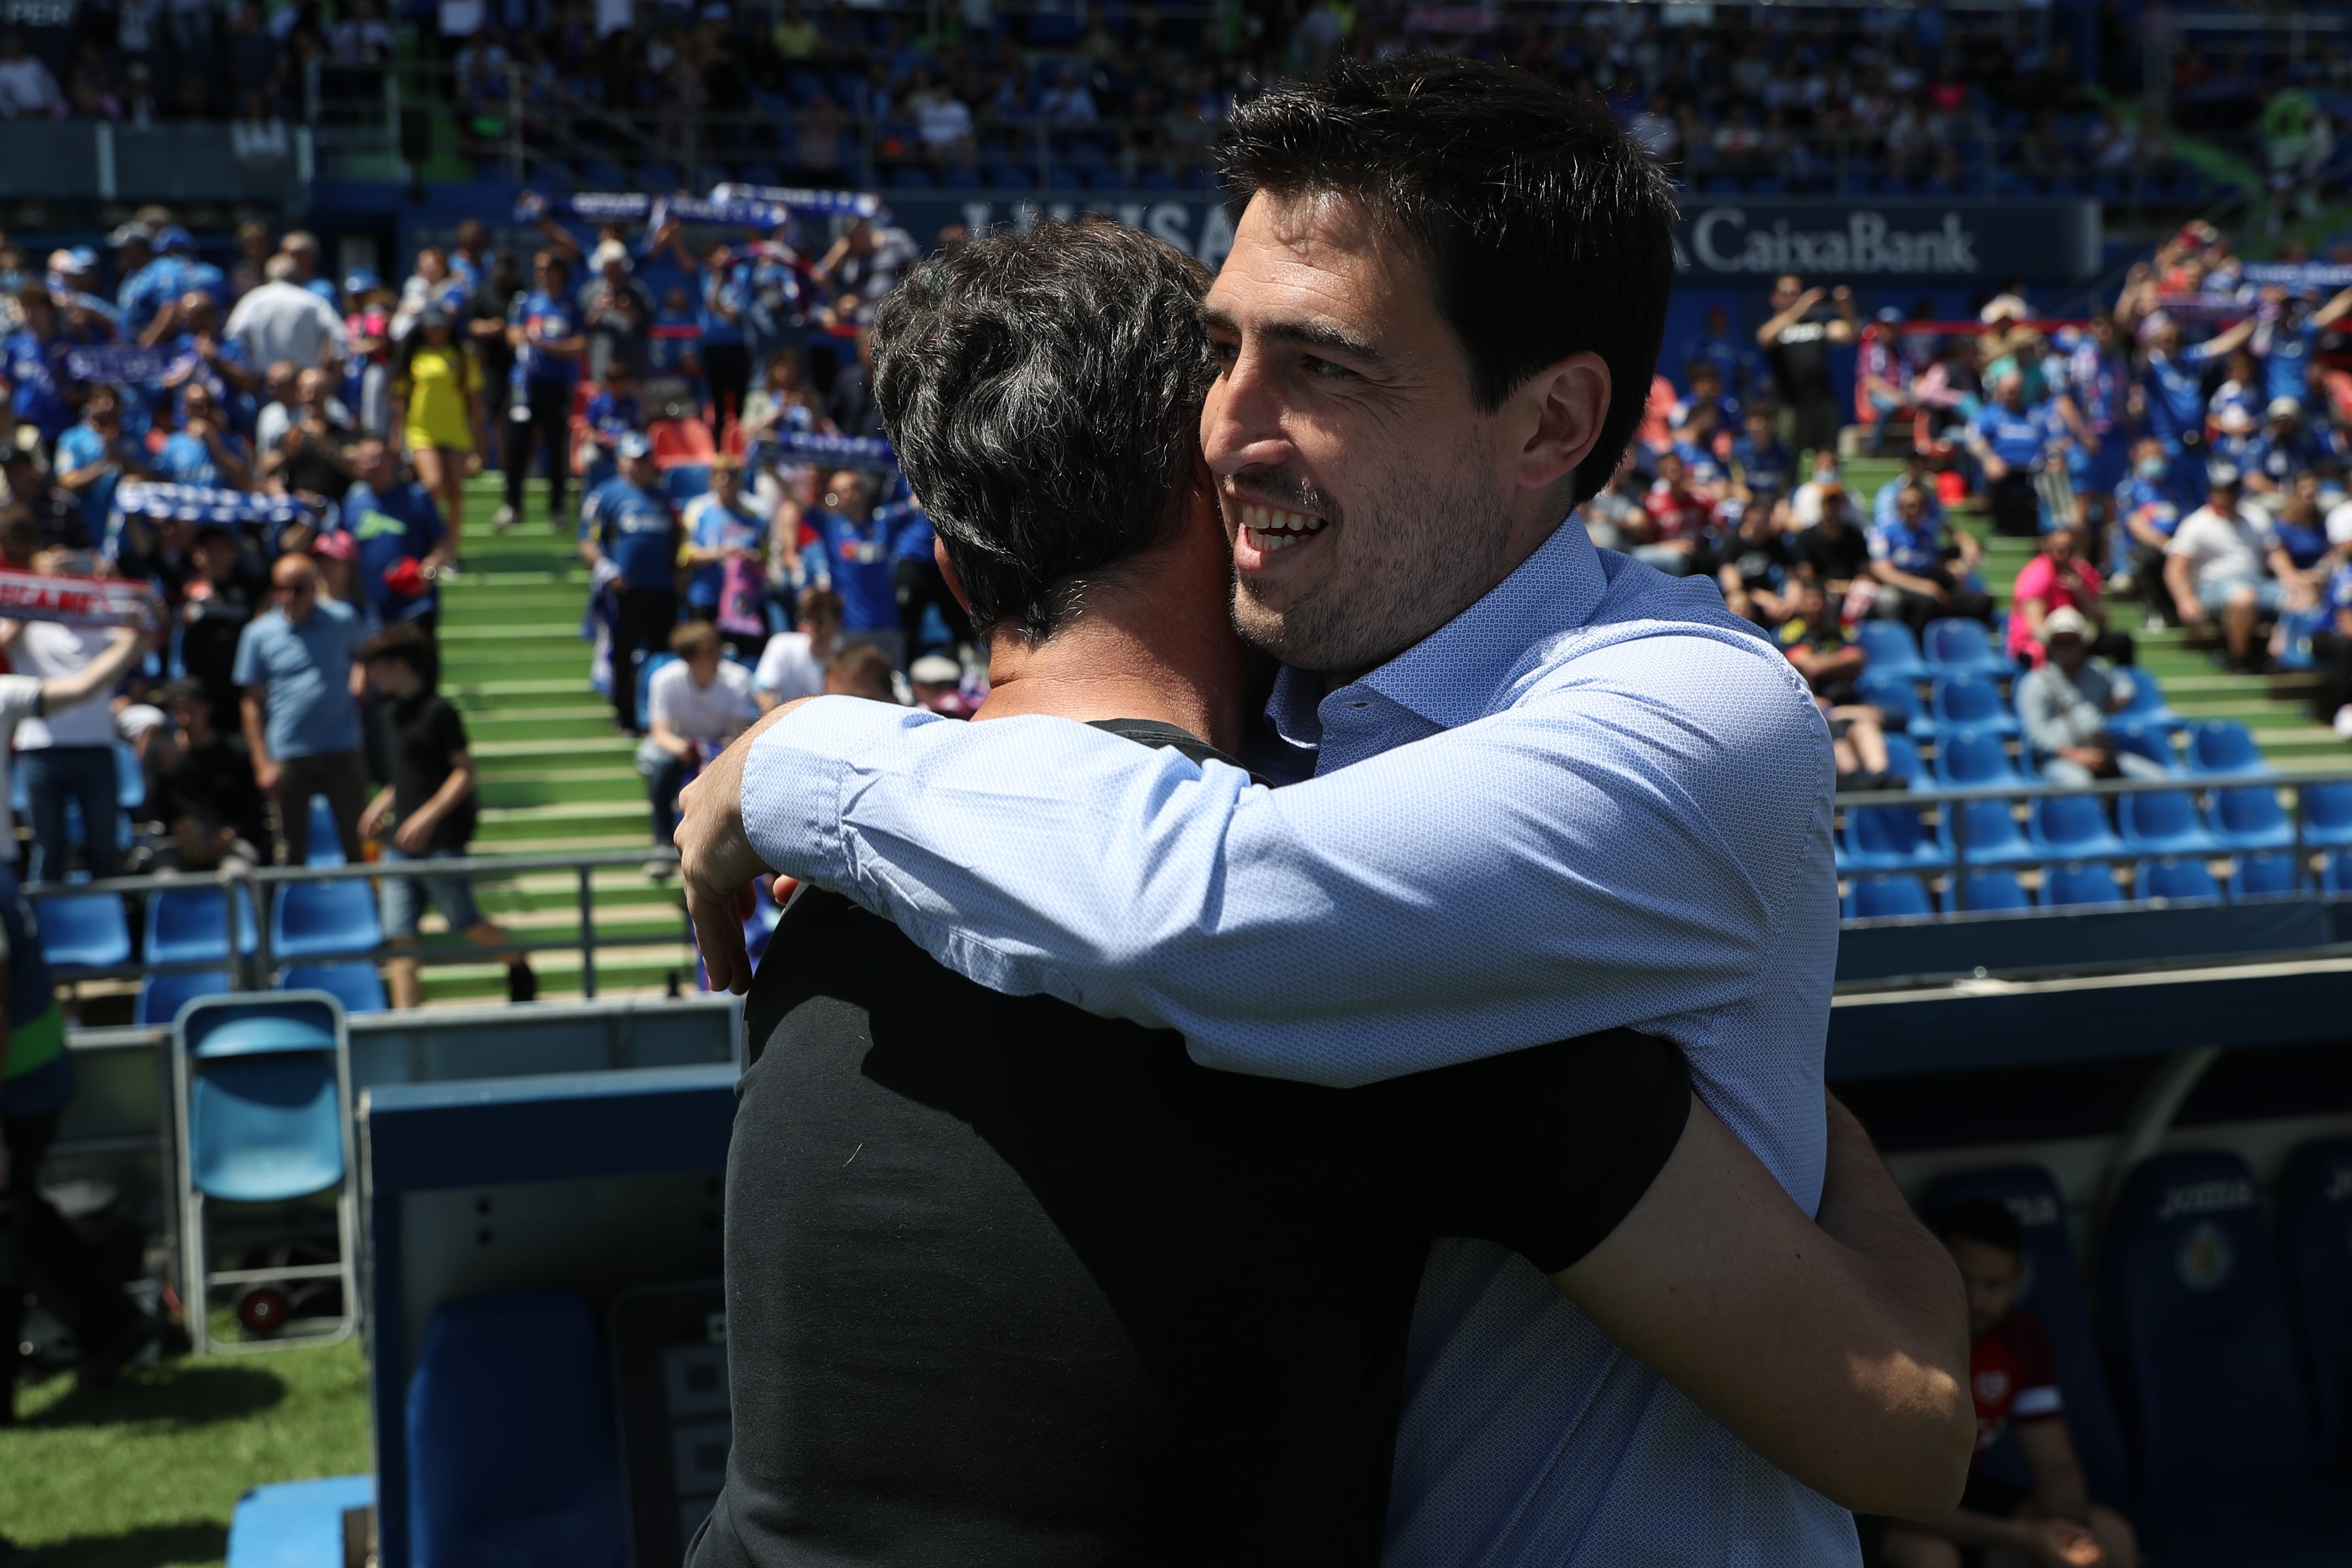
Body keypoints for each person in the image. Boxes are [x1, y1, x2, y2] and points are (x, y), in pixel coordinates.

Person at [681, 59, 1954, 1565]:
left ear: (1553, 423)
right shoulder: (1276, 713)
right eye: (1224, 350)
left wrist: (805, 761)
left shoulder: (1689, 710)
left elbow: (1212, 913)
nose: (1225, 429)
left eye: (1324, 366)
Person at [1879, 1200, 2141, 1568]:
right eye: (1964, 1279)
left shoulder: (2023, 1342)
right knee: (1931, 1559)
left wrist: (2070, 1528)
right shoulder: (1902, 1339)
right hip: (1887, 1509)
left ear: (2016, 1280)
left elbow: (2055, 1465)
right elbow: (1891, 1501)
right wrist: (2026, 1538)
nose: (1976, 1300)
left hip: (1965, 1495)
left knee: (2110, 1533)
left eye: (1993, 1284)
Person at [357, 622, 534, 1008]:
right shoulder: (389, 713)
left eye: (377, 667)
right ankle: (407, 1026)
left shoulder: (439, 712)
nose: (370, 677)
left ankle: (518, 963)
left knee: (465, 921)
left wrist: (428, 816)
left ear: (400, 666)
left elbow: (464, 770)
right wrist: (381, 805)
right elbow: (404, 777)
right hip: (398, 845)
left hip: (441, 842)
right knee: (400, 937)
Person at [233, 552, 368, 867]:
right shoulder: (258, 634)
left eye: (299, 588)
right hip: (289, 751)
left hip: (342, 746)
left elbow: (365, 655)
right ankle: (290, 913)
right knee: (291, 849)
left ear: (315, 586)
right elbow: (251, 701)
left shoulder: (342, 619)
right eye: (282, 588)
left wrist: (360, 680)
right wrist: (262, 763)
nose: (289, 597)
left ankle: (369, 911)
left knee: (358, 839)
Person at [581, 431, 680, 734]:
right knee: (623, 654)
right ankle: (625, 716)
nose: (640, 466)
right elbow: (587, 540)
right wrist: (607, 570)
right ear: (622, 462)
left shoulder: (663, 496)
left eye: (645, 460)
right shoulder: (607, 495)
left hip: (662, 589)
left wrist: (679, 573)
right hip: (626, 590)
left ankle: (657, 717)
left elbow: (677, 539)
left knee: (662, 656)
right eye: (634, 460)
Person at [645, 619, 758, 863]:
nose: (717, 656)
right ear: (689, 658)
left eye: (717, 649)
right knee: (658, 762)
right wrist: (684, 748)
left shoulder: (738, 678)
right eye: (709, 652)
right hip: (680, 751)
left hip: (725, 751)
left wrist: (719, 751)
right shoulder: (664, 679)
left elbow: (740, 732)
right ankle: (662, 842)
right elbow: (660, 733)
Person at [2015, 608, 2168, 789]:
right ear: (2051, 645)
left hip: (2100, 754)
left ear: (2082, 643)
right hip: (2056, 760)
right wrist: (2075, 755)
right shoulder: (2035, 682)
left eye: (2072, 641)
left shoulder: (2095, 670)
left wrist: (2117, 699)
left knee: (2157, 778)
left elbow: (2123, 684)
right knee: (2081, 784)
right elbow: (2036, 735)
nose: (2066, 648)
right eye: (2059, 642)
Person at [2165, 466, 2293, 674]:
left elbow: (2275, 553)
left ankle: (2283, 656)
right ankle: (2240, 658)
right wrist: (2185, 599)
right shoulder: (2196, 523)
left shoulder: (2256, 516)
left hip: (2257, 583)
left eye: (2233, 490)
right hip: (2214, 588)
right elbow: (2175, 569)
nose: (2230, 495)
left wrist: (2291, 577)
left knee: (2300, 597)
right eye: (2223, 490)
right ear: (2212, 493)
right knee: (2243, 597)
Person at [140, 677, 272, 872]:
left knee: (236, 873)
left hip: (228, 840)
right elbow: (148, 811)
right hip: (177, 841)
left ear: (208, 708)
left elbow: (253, 811)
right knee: (165, 876)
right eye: (177, 711)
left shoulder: (234, 751)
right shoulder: (161, 751)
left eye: (191, 711)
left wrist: (228, 835)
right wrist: (163, 774)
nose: (184, 719)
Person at [502, 249, 585, 531]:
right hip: (525, 384)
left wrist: (549, 346)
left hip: (556, 385)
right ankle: (512, 505)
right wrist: (527, 337)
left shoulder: (571, 305)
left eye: (547, 268)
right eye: (537, 268)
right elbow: (512, 336)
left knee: (557, 446)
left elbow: (579, 346)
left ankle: (558, 508)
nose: (541, 274)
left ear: (560, 271)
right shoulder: (525, 301)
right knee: (517, 445)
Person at [391, 305, 478, 567]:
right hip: (422, 430)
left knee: (455, 493)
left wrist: (480, 443)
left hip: (455, 431)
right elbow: (401, 400)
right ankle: (432, 545)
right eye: (432, 326)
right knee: (434, 485)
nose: (437, 331)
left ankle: (451, 552)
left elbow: (474, 401)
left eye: (441, 326)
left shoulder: (462, 356)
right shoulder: (414, 356)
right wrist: (397, 435)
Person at [339, 435, 450, 634]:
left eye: (378, 458)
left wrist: (427, 571)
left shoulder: (416, 496)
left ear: (392, 461)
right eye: (365, 459)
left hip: (415, 607)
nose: (372, 465)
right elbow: (344, 550)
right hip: (371, 612)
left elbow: (443, 543)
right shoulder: (353, 501)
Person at [798, 467, 903, 669]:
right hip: (849, 629)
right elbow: (798, 503)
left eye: (854, 488)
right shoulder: (830, 525)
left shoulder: (884, 521)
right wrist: (772, 471)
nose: (849, 495)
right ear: (834, 498)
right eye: (842, 491)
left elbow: (916, 505)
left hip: (887, 625)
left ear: (863, 491)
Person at [1869, 482, 1994, 634]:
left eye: (1913, 505)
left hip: (1931, 581)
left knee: (1981, 601)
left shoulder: (1928, 533)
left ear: (1924, 508)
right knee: (1927, 603)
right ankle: (1917, 648)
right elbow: (1884, 573)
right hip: (1903, 585)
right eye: (1904, 505)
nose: (1908, 511)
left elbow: (1934, 562)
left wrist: (1952, 569)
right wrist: (1925, 587)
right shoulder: (1884, 533)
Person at [1757, 273, 1858, 458]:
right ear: (1776, 298)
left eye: (1798, 293)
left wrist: (1846, 308)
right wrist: (1800, 309)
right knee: (1790, 457)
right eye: (1789, 293)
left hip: (1823, 403)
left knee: (1827, 456)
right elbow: (1764, 338)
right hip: (1791, 406)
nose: (1795, 298)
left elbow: (1848, 335)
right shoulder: (1776, 325)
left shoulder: (1816, 323)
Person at [679, 456, 769, 660]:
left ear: (742, 481)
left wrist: (751, 558)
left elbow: (766, 560)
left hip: (744, 604)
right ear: (712, 481)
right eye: (722, 477)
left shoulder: (755, 516)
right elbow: (686, 556)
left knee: (751, 659)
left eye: (733, 477)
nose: (728, 483)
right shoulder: (698, 511)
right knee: (701, 658)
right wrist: (723, 552)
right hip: (707, 598)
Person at [2008, 524, 2132, 668]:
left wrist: (2083, 593)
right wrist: (2066, 645)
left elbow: (2102, 621)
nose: (2063, 553)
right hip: (2044, 642)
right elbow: (2037, 630)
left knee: (2122, 642)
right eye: (2057, 548)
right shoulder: (2036, 577)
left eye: (2069, 548)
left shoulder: (2082, 573)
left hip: (2075, 638)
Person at [1967, 371, 2061, 539]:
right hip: (2004, 469)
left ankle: (2052, 531)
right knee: (1995, 477)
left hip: (2035, 469)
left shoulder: (2035, 413)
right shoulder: (1990, 413)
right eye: (2009, 391)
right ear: (2000, 391)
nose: (2013, 395)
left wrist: (2054, 457)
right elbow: (1974, 439)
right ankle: (2001, 530)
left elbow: (2052, 440)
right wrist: (1988, 459)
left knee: (2055, 475)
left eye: (2017, 390)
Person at [224, 252, 348, 376]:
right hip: (307, 381)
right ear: (298, 276)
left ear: (267, 277)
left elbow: (232, 336)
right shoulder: (312, 301)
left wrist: (250, 368)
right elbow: (340, 336)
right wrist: (331, 374)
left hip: (269, 380)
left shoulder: (253, 301)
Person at [753, 585, 840, 710]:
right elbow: (762, 692)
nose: (813, 625)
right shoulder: (782, 644)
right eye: (808, 617)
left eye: (820, 619)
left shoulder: (843, 660)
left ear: (837, 622)